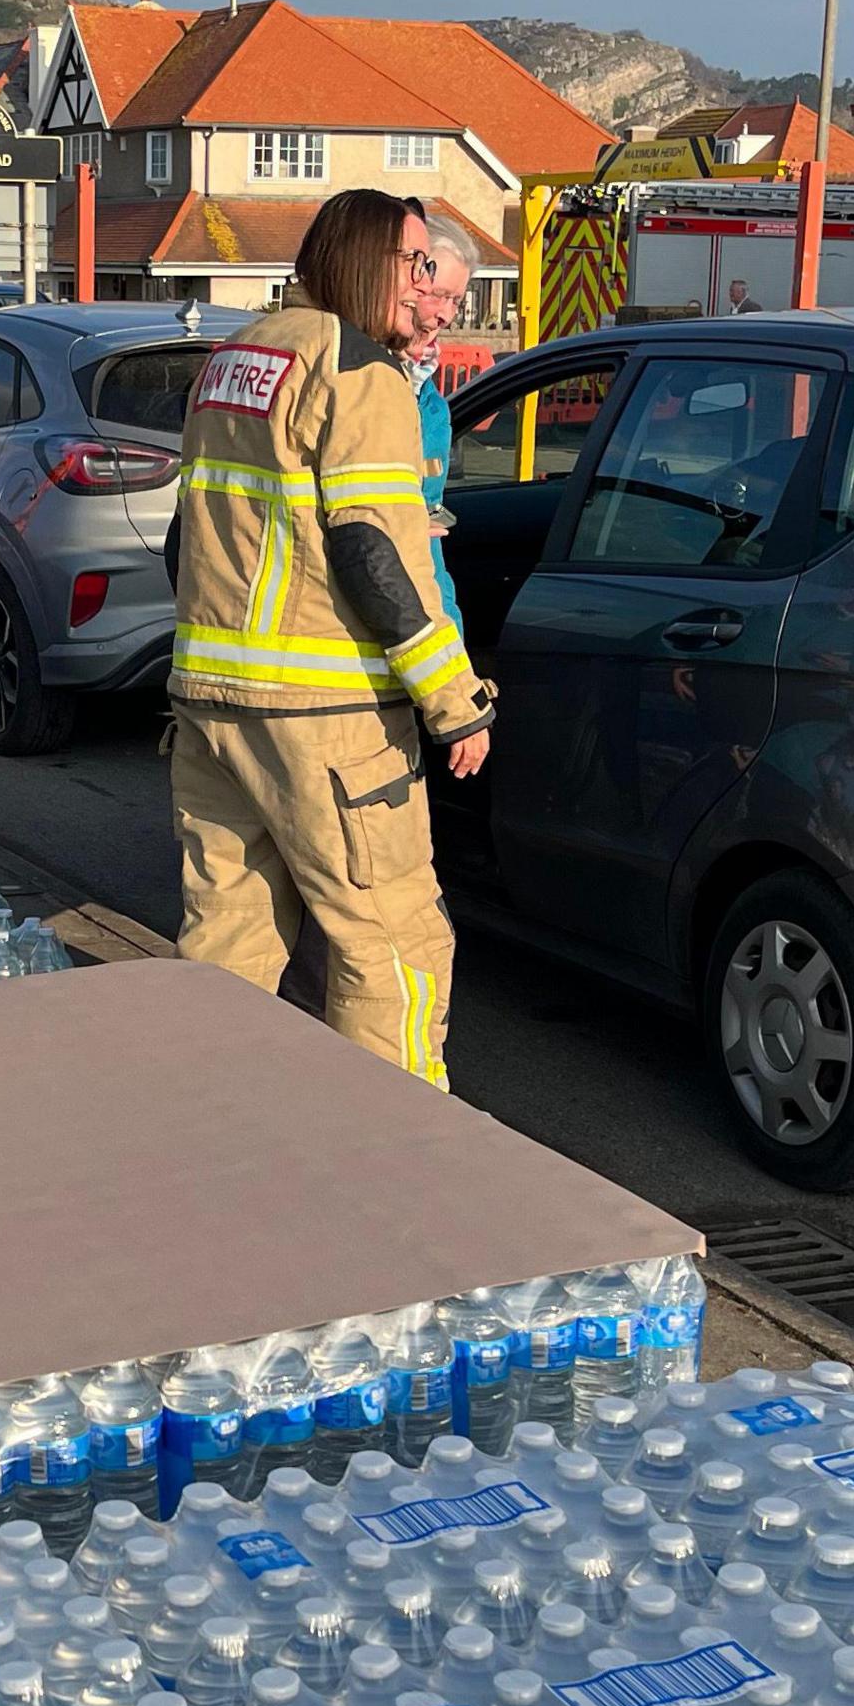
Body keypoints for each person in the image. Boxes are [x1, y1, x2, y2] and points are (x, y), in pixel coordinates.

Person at [165, 188, 494, 1087]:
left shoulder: (233, 358)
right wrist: (455, 703)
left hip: (209, 705)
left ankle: (214, 1126)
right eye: (416, 263)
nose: (425, 284)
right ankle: (395, 1152)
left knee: (226, 941)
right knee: (393, 945)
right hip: (330, 719)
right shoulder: (360, 373)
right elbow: (372, 550)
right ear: (364, 261)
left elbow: (183, 536)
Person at [404, 212, 481, 636]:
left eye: (457, 301)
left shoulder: (431, 407)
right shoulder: (358, 383)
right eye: (439, 296)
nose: (447, 315)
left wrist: (450, 642)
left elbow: (427, 538)